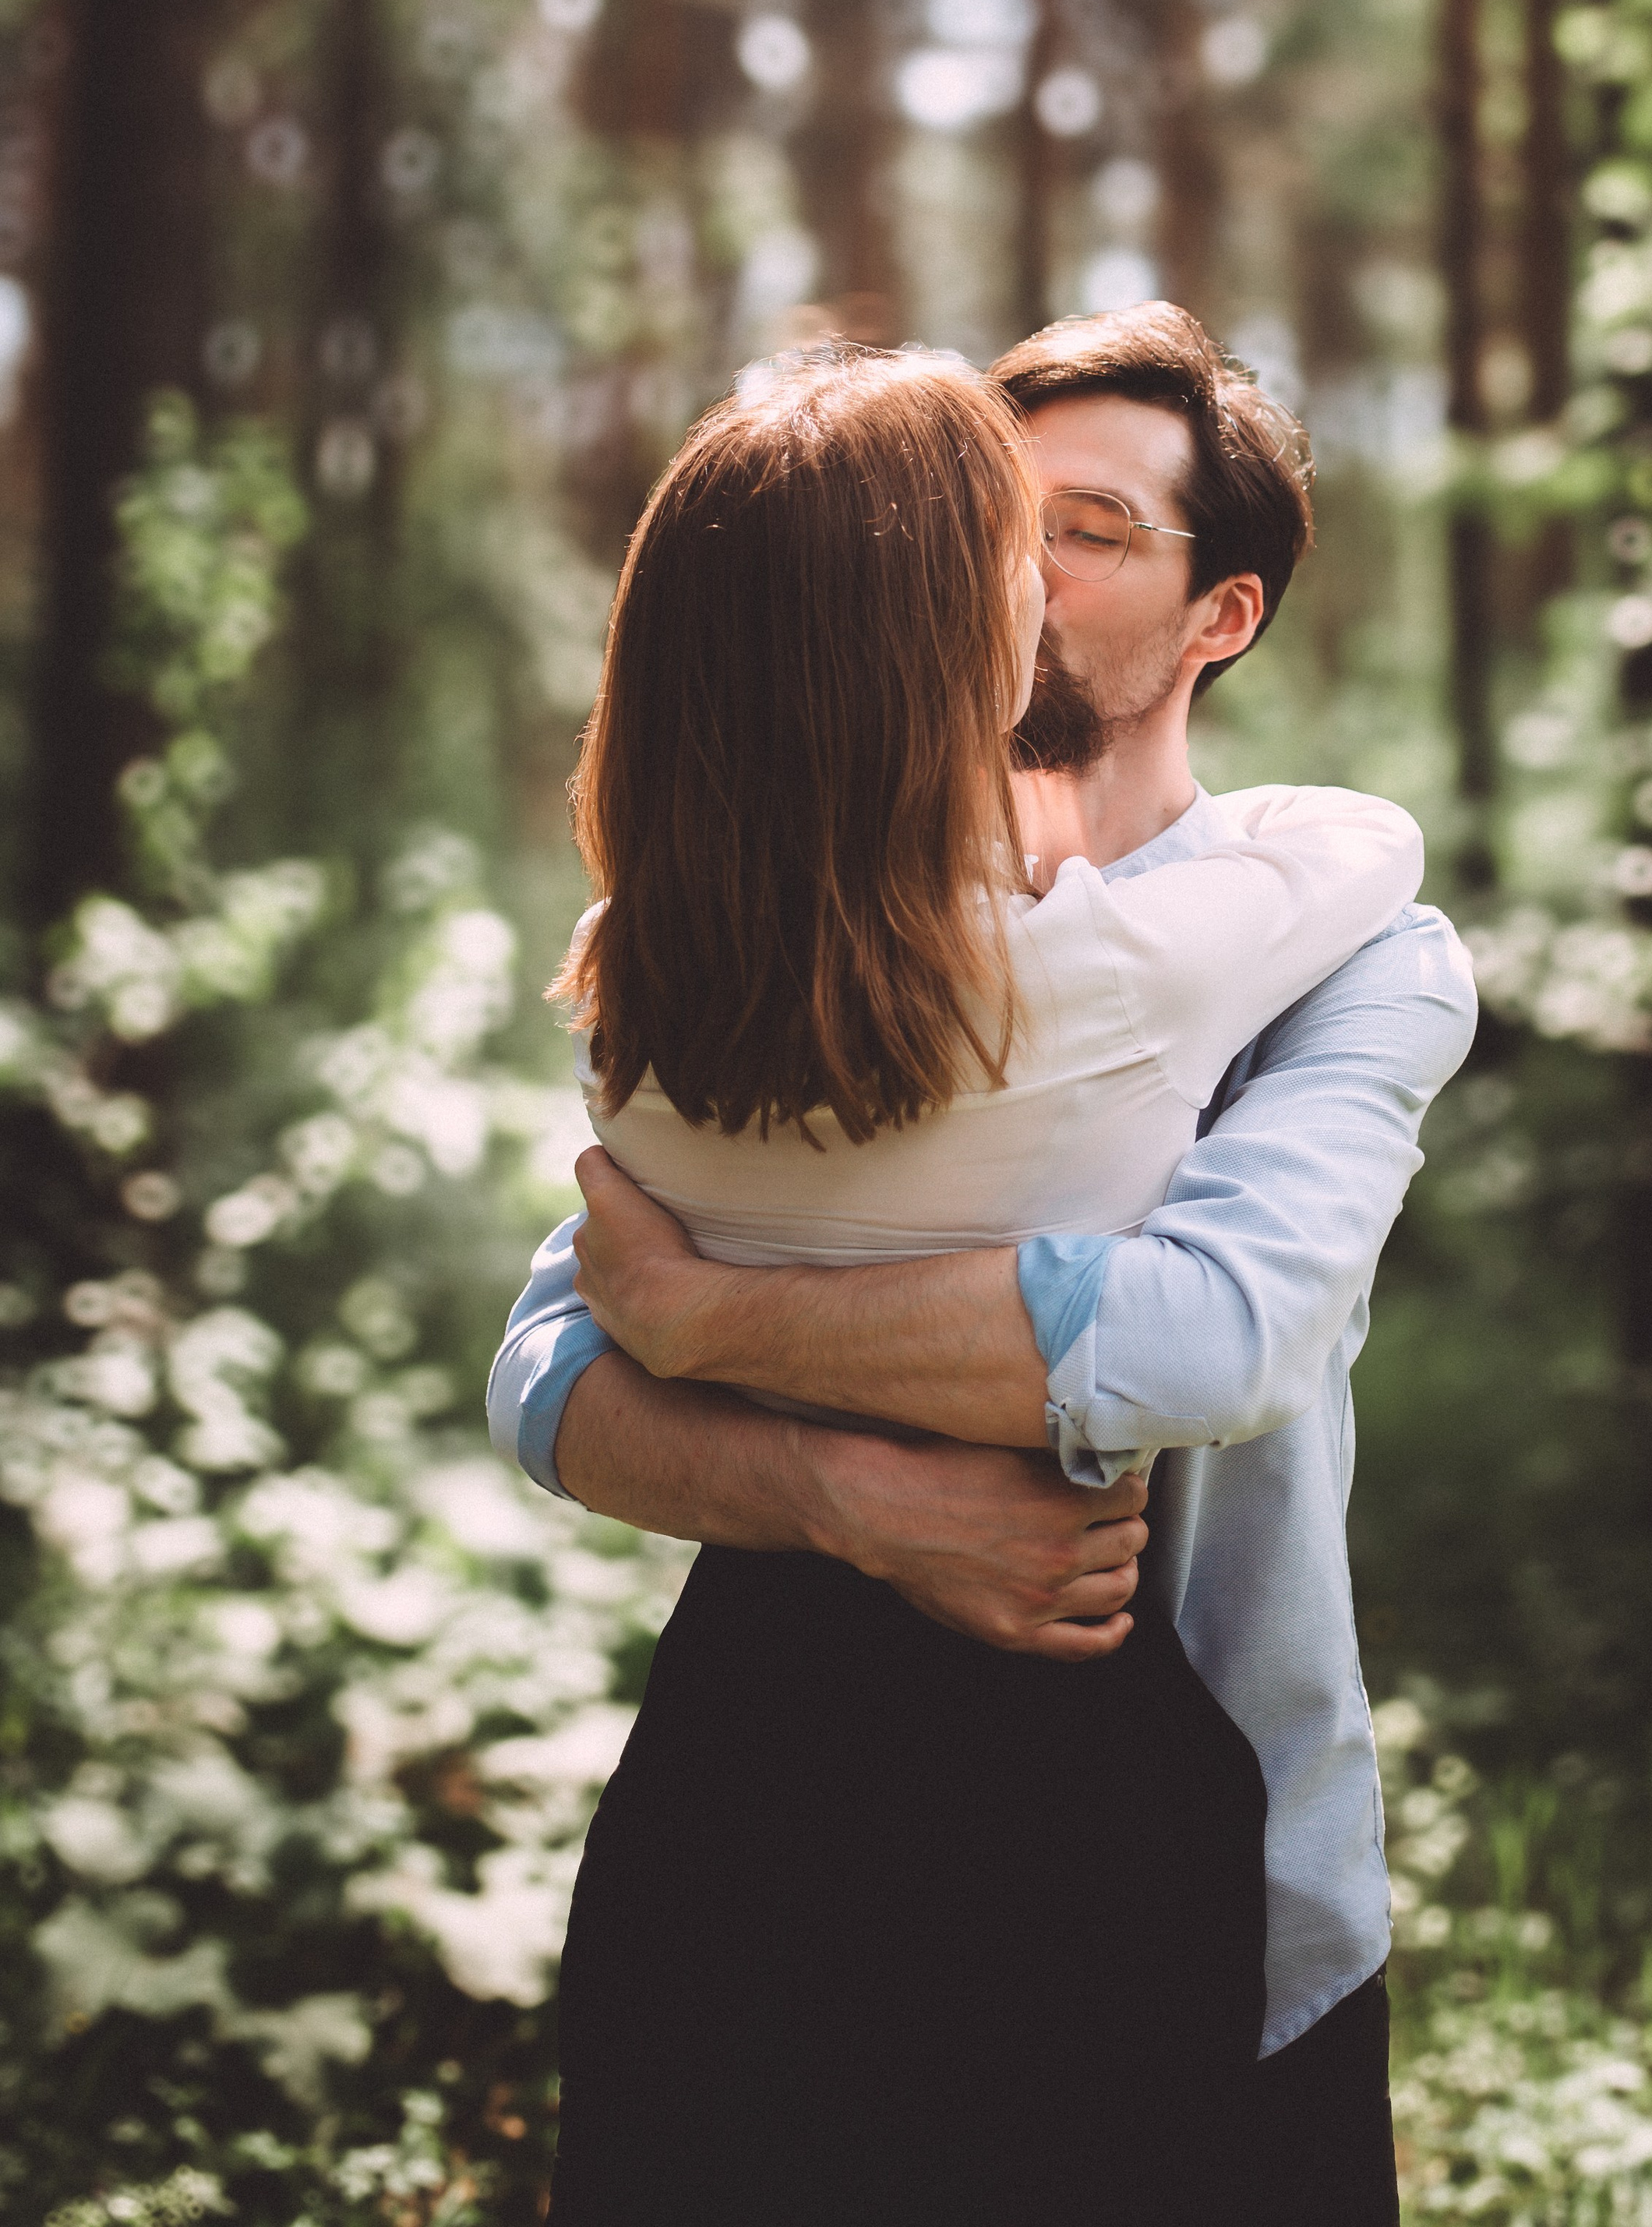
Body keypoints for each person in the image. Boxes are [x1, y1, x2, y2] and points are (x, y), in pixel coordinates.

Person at [491, 303, 1479, 2222]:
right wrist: (845, 1496)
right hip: (763, 1780)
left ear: (1223, 619)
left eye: (1091, 530)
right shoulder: (788, 937)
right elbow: (547, 1364)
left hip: (1171, 1785)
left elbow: (1226, 1330)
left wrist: (717, 1319)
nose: (1013, 573)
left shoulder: (1349, 951)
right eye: (983, 520)